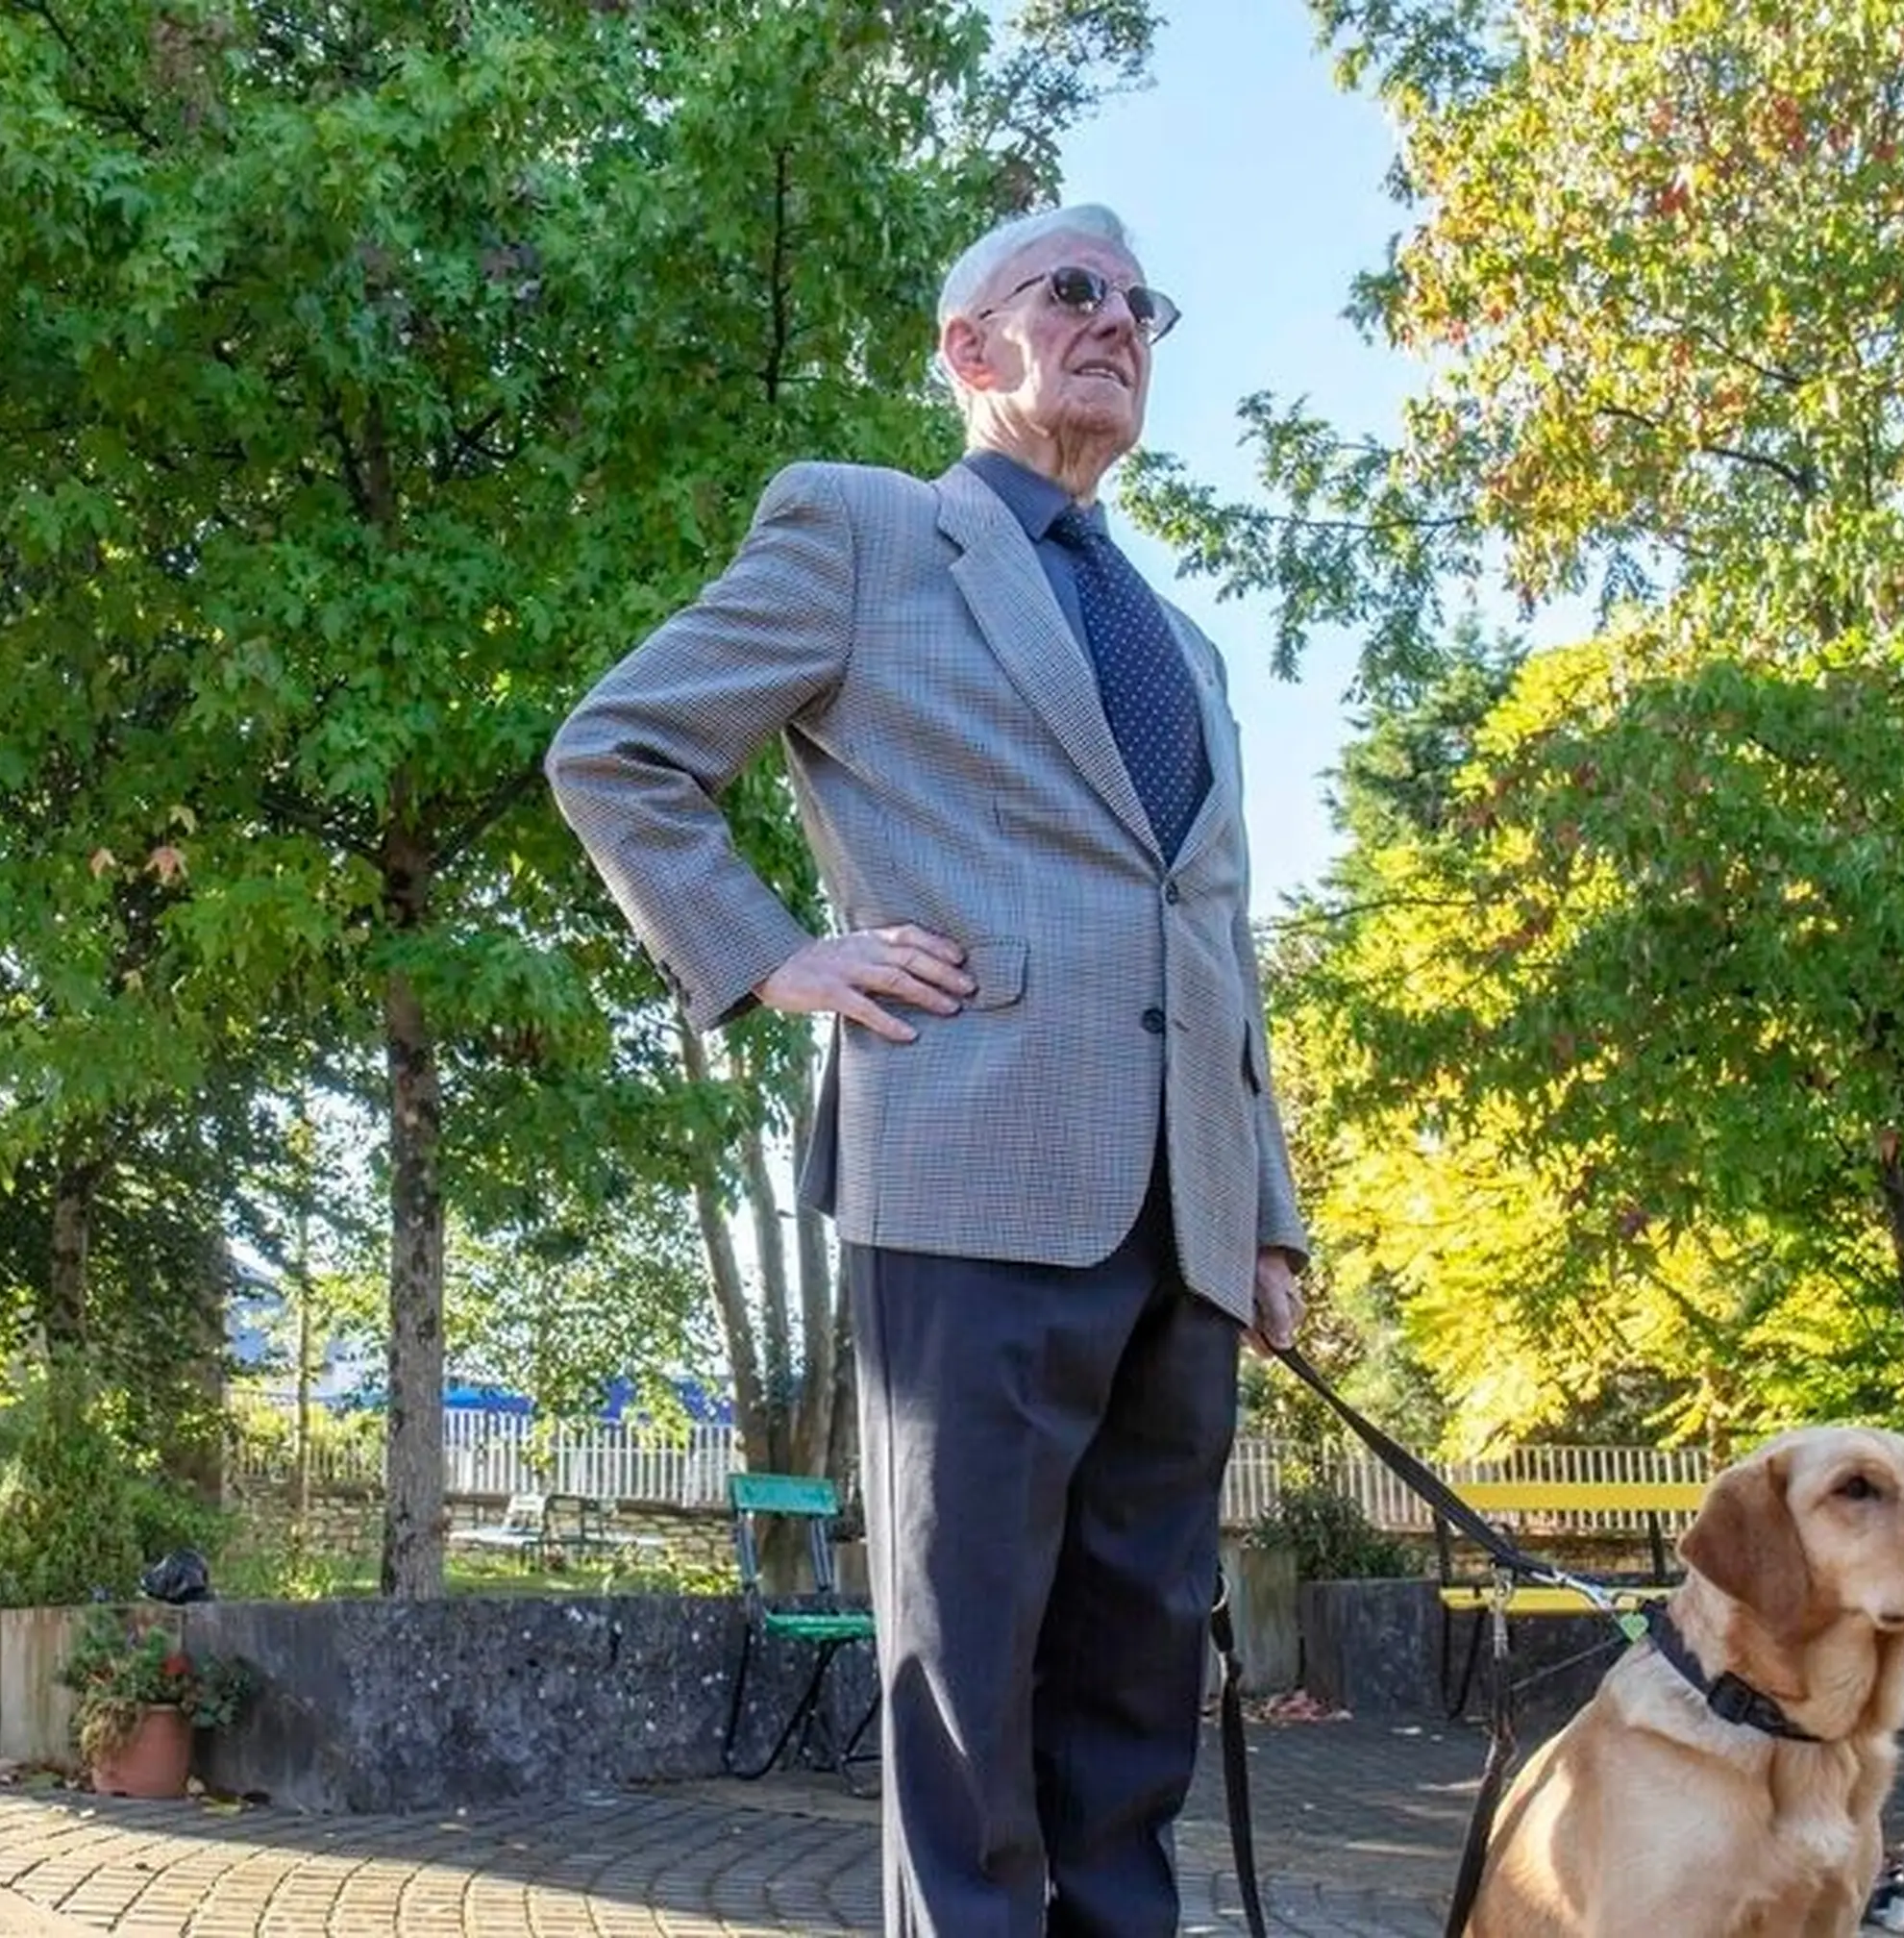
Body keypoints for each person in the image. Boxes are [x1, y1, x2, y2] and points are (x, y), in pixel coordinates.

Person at [546, 203, 1309, 1936]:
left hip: (1185, 1228)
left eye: (1140, 303)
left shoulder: (1184, 646)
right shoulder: (867, 532)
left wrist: (1267, 1220)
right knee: (970, 1695)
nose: (1118, 320)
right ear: (971, 351)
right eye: (1072, 292)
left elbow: (1223, 950)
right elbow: (621, 752)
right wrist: (770, 956)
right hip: (972, 1178)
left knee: (1133, 1704)